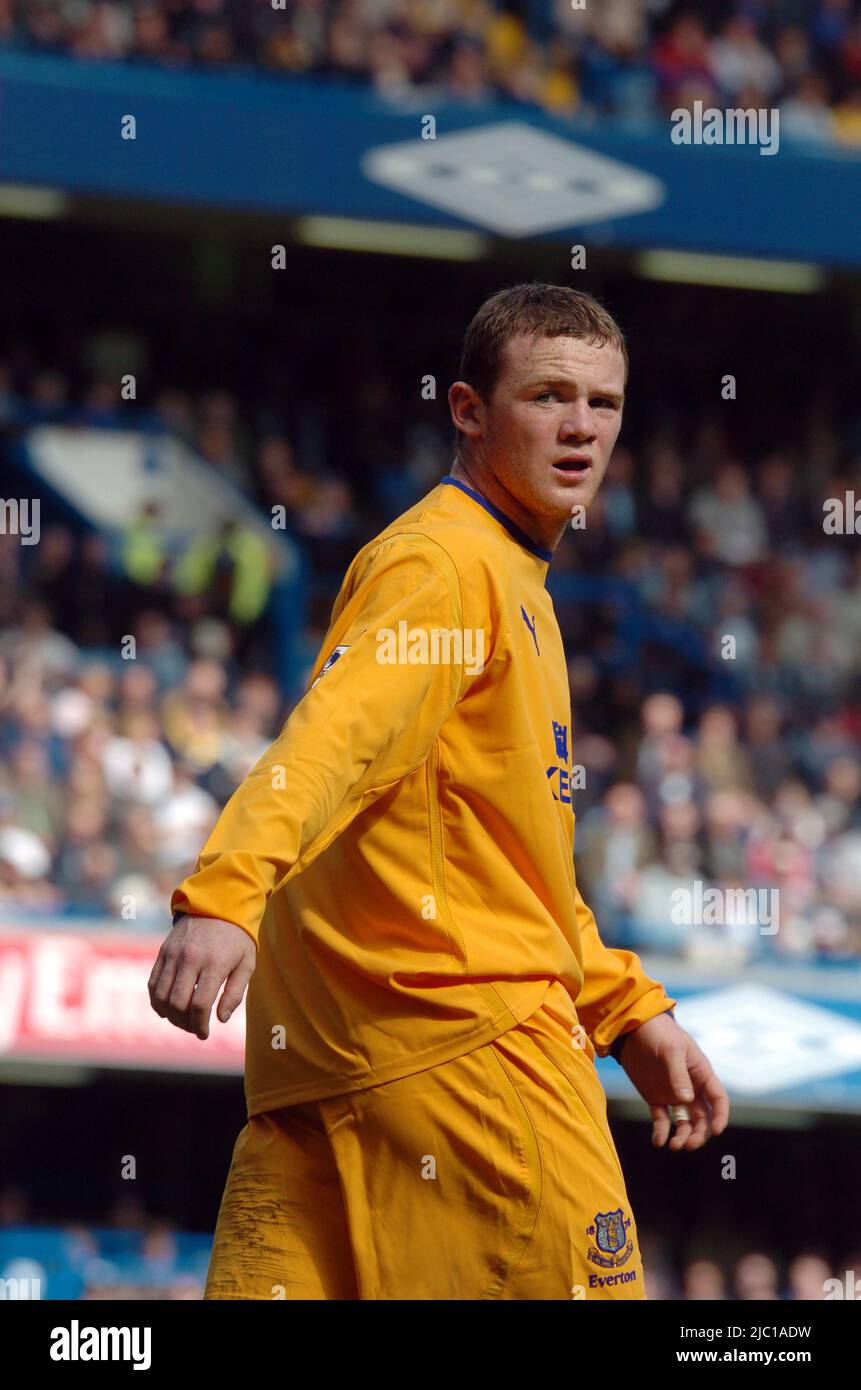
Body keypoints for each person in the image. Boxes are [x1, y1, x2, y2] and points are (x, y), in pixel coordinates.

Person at [149, 283, 729, 1300]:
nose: (582, 427)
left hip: (318, 1086)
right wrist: (226, 892)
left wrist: (627, 1010)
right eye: (549, 395)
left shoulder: (505, 581)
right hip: (476, 1069)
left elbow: (503, 859)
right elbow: (334, 741)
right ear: (468, 409)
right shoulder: (448, 564)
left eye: (604, 403)